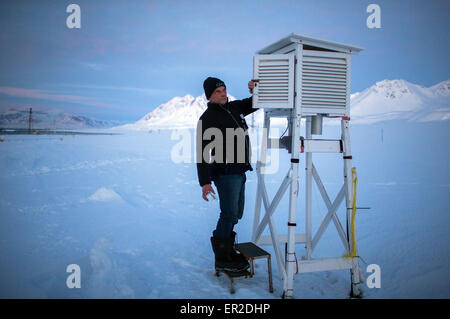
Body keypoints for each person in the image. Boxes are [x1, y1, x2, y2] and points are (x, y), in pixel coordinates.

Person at [196, 77, 257, 272]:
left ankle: (227, 251)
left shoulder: (235, 108)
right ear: (209, 96)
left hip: (239, 171)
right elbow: (202, 153)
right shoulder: (207, 118)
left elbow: (257, 102)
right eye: (217, 92)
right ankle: (223, 257)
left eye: (224, 90)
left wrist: (255, 90)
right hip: (225, 173)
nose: (223, 94)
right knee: (229, 213)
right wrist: (205, 183)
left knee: (236, 214)